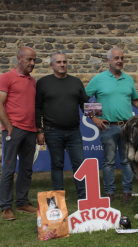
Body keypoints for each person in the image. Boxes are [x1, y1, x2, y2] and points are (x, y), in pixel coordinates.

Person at [85, 47, 138, 203]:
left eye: (122, 58)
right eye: (116, 58)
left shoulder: (128, 79)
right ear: (108, 60)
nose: (120, 61)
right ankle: (109, 193)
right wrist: (94, 119)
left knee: (127, 161)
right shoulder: (98, 79)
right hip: (107, 127)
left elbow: (135, 100)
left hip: (127, 127)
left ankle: (127, 192)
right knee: (109, 161)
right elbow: (83, 99)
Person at [35, 51, 87, 199]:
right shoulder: (43, 83)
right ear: (52, 65)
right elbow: (37, 108)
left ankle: (83, 197)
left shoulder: (76, 82)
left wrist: (96, 116)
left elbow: (84, 104)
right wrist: (39, 130)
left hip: (74, 131)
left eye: (64, 62)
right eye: (58, 62)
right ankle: (58, 198)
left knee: (80, 164)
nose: (62, 64)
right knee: (57, 165)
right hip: (52, 131)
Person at [0, 46, 37, 221]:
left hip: (30, 130)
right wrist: (9, 127)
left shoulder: (32, 81)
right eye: (29, 59)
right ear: (19, 58)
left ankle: (22, 202)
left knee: (26, 169)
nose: (32, 63)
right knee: (9, 169)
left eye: (34, 60)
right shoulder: (6, 77)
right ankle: (6, 207)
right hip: (14, 130)